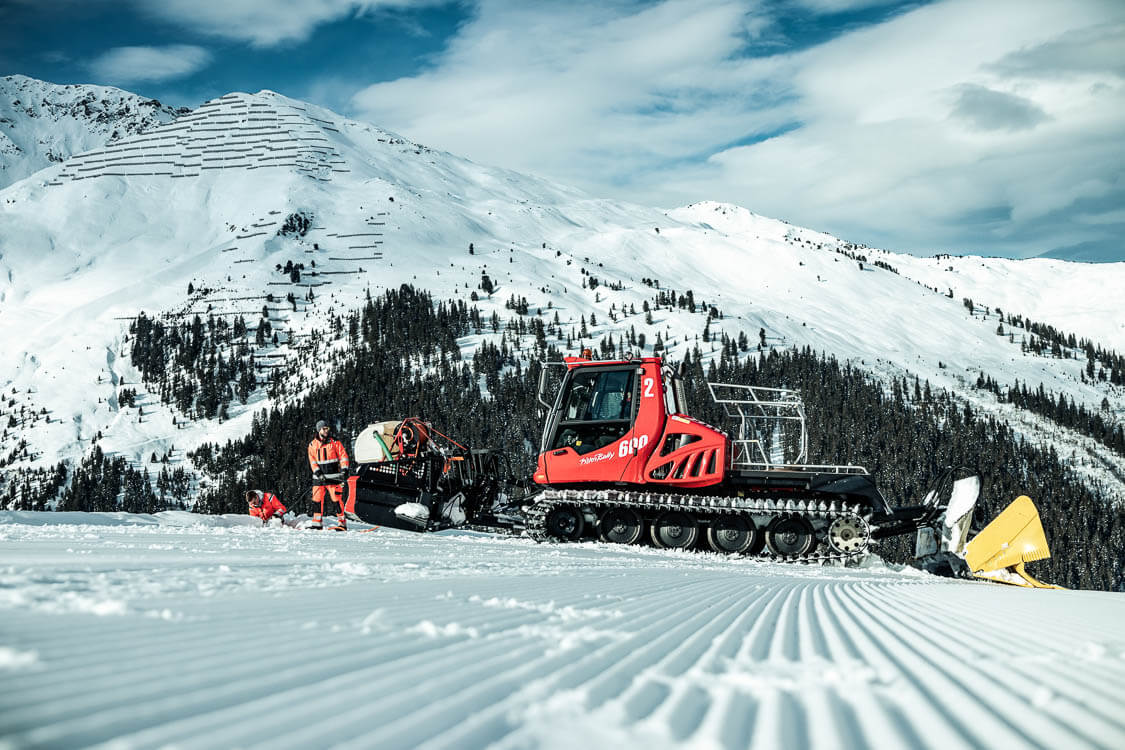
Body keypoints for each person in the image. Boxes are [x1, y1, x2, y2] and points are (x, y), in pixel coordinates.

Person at [307, 419, 350, 530]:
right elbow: (312, 462)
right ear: (319, 430)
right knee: (317, 500)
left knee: (336, 500)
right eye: (324, 429)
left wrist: (345, 470)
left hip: (334, 477)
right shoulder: (312, 445)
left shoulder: (335, 442)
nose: (326, 430)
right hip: (318, 478)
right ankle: (317, 523)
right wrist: (318, 473)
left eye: (327, 428)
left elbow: (343, 456)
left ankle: (342, 524)